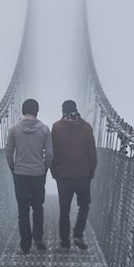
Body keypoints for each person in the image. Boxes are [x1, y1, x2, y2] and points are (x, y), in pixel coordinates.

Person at [5, 98, 53, 253]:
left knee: (23, 209)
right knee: (38, 207)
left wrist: (13, 167)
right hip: (38, 174)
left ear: (22, 111)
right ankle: (38, 240)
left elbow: (8, 152)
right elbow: (50, 153)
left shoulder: (14, 129)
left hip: (20, 174)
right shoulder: (44, 129)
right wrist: (44, 168)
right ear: (37, 111)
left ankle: (25, 244)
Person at [51, 99, 97, 250]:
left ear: (63, 110)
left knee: (64, 210)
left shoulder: (57, 127)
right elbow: (92, 153)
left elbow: (53, 152)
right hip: (83, 175)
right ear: (76, 109)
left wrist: (54, 172)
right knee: (84, 206)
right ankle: (78, 234)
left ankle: (65, 242)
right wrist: (91, 171)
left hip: (64, 175)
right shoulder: (86, 128)